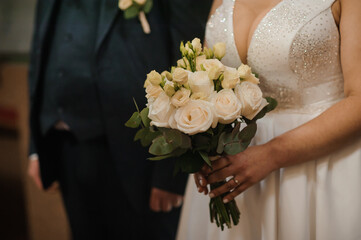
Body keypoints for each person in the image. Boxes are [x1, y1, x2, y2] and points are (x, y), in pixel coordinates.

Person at [27, 0, 212, 239]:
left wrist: (171, 173)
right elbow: (39, 52)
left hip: (139, 157)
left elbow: (190, 62)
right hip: (65, 145)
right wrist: (36, 147)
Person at [177, 0, 361, 239]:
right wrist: (200, 143)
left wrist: (271, 154)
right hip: (233, 169)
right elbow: (203, 79)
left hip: (318, 167)